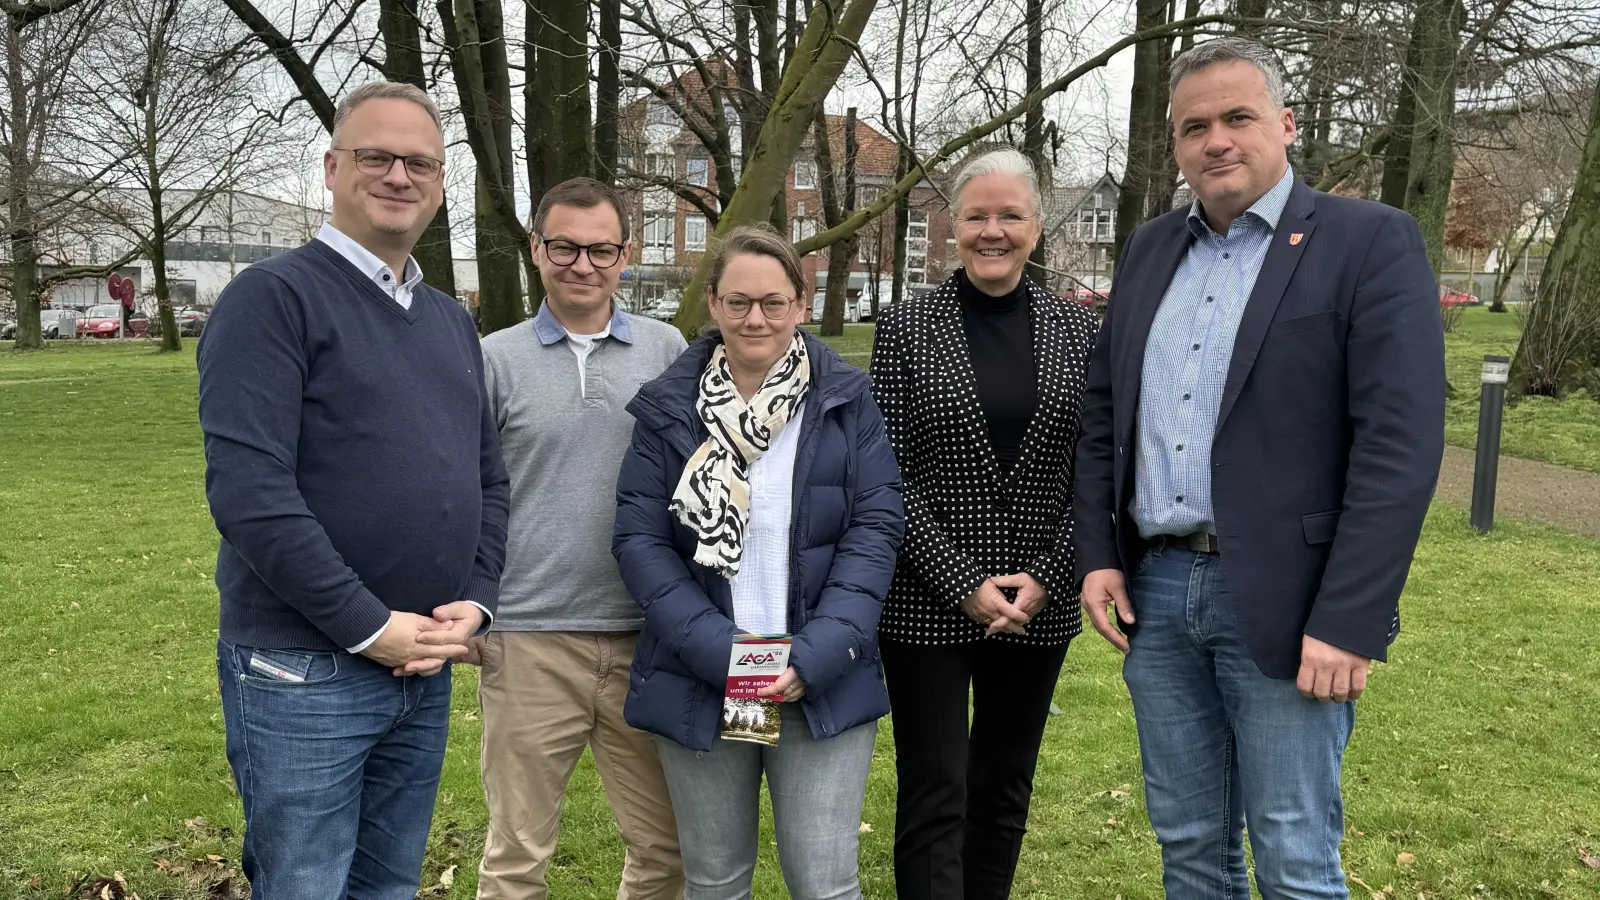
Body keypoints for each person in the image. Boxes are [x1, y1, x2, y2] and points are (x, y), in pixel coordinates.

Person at [1073, 37, 1445, 898]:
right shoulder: (1148, 251)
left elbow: (1398, 447)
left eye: (1238, 117)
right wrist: (1098, 553)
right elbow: (1105, 419)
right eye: (1194, 126)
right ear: (1175, 146)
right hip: (1158, 597)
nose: (1217, 140)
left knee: (1293, 855)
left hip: (1286, 600)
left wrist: (1351, 618)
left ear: (1283, 123)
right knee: (1191, 847)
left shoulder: (1367, 242)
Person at [197, 82, 509, 898]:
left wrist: (475, 601)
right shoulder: (272, 299)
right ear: (333, 168)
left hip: (425, 666)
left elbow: (487, 476)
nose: (398, 176)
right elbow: (249, 492)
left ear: (441, 184)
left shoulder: (449, 319)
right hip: (305, 671)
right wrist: (369, 628)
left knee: (387, 887)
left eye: (419, 162)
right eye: (377, 156)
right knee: (303, 885)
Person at [613, 225, 905, 900]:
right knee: (715, 883)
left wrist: (816, 654)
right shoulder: (667, 409)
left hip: (820, 676)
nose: (756, 318)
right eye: (738, 301)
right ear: (713, 303)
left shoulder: (846, 400)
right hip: (704, 677)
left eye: (774, 302)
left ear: (800, 305)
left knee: (825, 884)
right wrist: (724, 655)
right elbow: (640, 543)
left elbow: (874, 529)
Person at [868, 148, 1099, 900]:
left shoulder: (1081, 331)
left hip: (1041, 597)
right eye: (976, 216)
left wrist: (1049, 577)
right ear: (952, 227)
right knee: (935, 792)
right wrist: (962, 582)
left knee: (1003, 788)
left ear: (1037, 227)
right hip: (927, 599)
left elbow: (1096, 472)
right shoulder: (905, 329)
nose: (992, 231)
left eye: (1009, 216)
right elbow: (886, 474)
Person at [470, 177, 687, 900]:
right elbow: (464, 493)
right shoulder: (491, 358)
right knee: (516, 857)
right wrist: (469, 603)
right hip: (529, 636)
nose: (582, 264)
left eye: (600, 249)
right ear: (537, 249)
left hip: (645, 639)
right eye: (564, 246)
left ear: (626, 254)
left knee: (665, 850)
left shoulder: (666, 349)